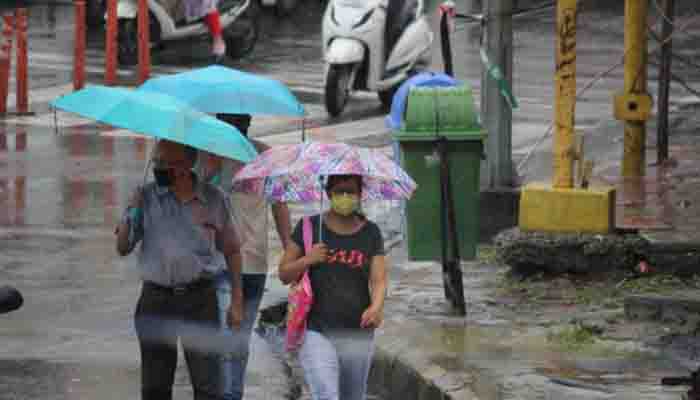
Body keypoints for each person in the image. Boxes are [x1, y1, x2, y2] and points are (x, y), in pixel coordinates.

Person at [115, 140, 243, 400]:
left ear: (185, 166)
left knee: (207, 385)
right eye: (157, 162)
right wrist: (132, 211)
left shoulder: (214, 199)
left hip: (200, 299)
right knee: (155, 387)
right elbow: (122, 247)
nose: (158, 168)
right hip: (156, 299)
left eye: (165, 163)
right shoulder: (147, 197)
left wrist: (237, 301)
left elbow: (232, 250)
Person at [198, 113, 292, 400]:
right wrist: (210, 171)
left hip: (255, 262)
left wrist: (291, 248)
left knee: (237, 345)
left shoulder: (264, 156)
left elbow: (280, 206)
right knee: (229, 342)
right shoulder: (207, 155)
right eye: (230, 123)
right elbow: (192, 203)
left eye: (241, 123)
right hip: (219, 264)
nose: (237, 128)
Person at [279, 174, 388, 400]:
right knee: (326, 394)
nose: (345, 197)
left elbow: (378, 279)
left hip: (358, 331)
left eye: (351, 191)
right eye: (340, 191)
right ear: (328, 194)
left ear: (360, 195)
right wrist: (308, 259)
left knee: (353, 396)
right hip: (316, 329)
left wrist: (376, 307)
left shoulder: (371, 232)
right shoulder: (309, 227)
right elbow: (283, 273)